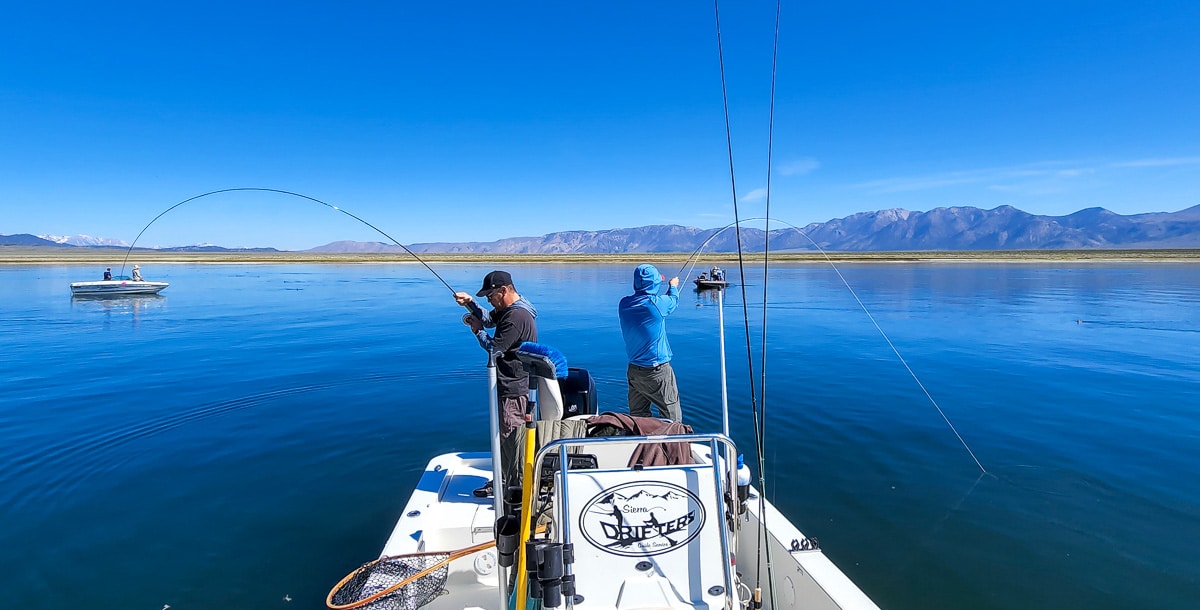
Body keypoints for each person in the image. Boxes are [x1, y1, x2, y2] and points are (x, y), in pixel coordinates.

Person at [455, 270, 538, 487]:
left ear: (503, 290)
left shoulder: (516, 316)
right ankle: (503, 481)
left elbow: (494, 349)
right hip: (513, 386)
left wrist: (477, 332)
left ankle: (515, 489)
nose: (490, 301)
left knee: (512, 440)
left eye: (491, 297)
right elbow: (490, 319)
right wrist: (470, 304)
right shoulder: (512, 308)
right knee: (505, 439)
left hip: (514, 388)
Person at [618, 264, 682, 422]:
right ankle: (671, 445)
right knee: (672, 418)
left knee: (639, 418)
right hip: (658, 372)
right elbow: (672, 300)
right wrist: (673, 286)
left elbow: (656, 303)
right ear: (655, 284)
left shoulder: (624, 304)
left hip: (634, 372)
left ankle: (643, 445)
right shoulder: (657, 304)